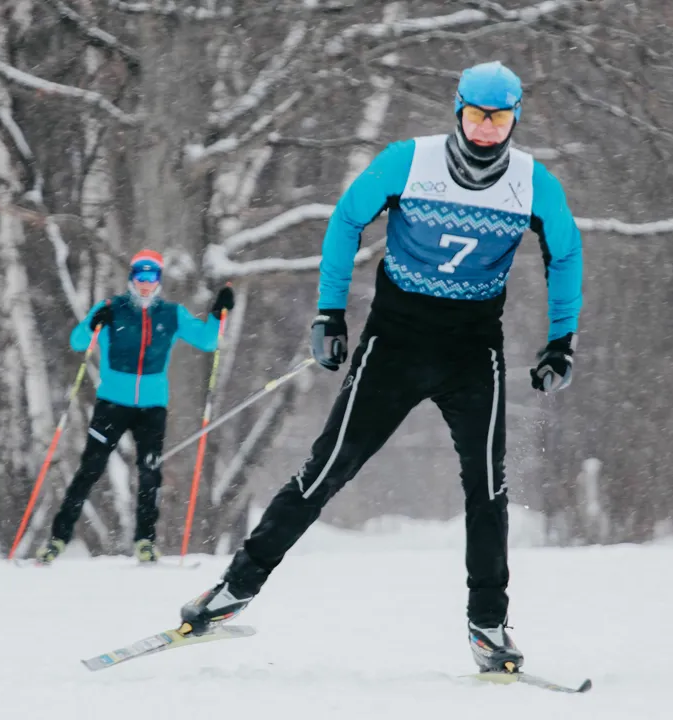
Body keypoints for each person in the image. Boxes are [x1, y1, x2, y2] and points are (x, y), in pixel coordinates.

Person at [181, 61, 583, 673]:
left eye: (498, 118)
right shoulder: (408, 161)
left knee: (488, 488)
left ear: (515, 119)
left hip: (473, 351)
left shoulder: (533, 184)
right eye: (476, 114)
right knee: (324, 473)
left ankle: (488, 625)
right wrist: (329, 315)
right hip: (394, 341)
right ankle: (235, 589)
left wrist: (561, 342)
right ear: (458, 110)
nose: (484, 129)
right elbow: (346, 220)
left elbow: (566, 254)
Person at [35, 249, 234, 565]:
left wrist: (218, 314)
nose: (144, 282)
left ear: (158, 280)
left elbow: (208, 341)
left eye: (151, 276)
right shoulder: (112, 308)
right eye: (140, 275)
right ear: (131, 278)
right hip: (112, 403)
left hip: (152, 406)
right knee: (90, 469)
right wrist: (92, 324)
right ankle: (58, 539)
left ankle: (145, 541)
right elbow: (77, 341)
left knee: (150, 472)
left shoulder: (171, 313)